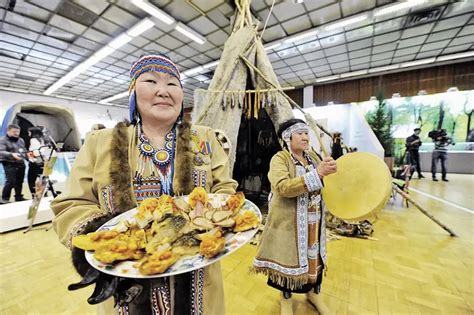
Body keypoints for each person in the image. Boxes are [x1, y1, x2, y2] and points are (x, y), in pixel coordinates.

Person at [50, 53, 237, 314]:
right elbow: (71, 204)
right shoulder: (99, 143)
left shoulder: (205, 139)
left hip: (198, 276)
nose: (163, 91)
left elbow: (224, 189)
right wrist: (105, 239)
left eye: (173, 84)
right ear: (132, 93)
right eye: (151, 81)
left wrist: (218, 214)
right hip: (127, 279)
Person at [253, 118, 337, 315]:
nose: (305, 137)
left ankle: (314, 294)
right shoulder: (279, 159)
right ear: (287, 137)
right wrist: (317, 174)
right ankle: (286, 300)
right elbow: (282, 187)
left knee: (314, 257)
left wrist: (330, 169)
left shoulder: (313, 157)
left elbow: (325, 178)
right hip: (289, 222)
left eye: (306, 133)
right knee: (287, 259)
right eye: (299, 133)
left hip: (314, 220)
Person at [0, 124, 27, 203]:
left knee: (19, 181)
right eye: (14, 131)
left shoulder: (21, 140)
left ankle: (18, 197)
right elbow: (1, 151)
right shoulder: (2, 140)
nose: (16, 133)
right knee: (10, 181)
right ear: (8, 131)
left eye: (18, 132)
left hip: (21, 162)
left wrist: (28, 156)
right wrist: (11, 154)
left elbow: (24, 150)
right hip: (9, 163)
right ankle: (5, 198)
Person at [27, 126, 50, 195]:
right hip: (42, 162)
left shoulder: (33, 140)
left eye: (29, 132)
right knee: (42, 179)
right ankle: (44, 193)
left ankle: (34, 194)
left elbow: (36, 152)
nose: (28, 133)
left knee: (31, 180)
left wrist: (30, 154)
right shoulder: (41, 139)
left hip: (35, 162)